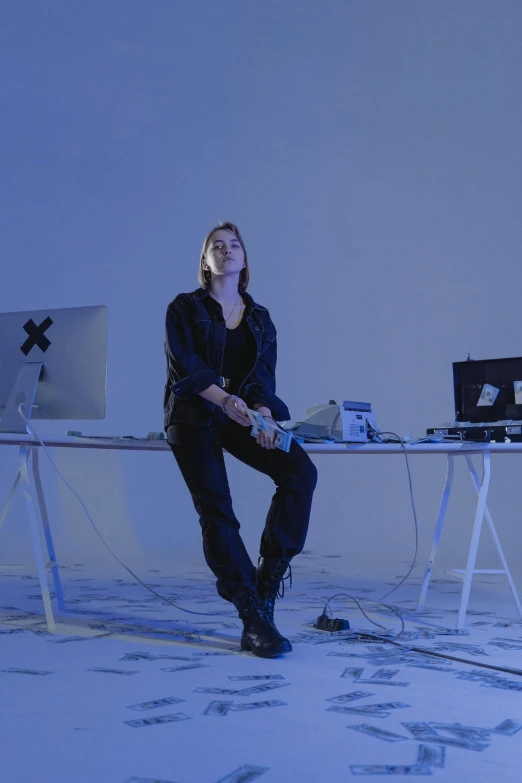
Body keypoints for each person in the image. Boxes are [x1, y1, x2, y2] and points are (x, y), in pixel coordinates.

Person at [164, 221, 318, 658]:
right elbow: (186, 368)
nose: (227, 250)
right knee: (217, 509)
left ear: (245, 259)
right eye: (217, 245)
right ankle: (251, 615)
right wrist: (227, 401)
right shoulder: (183, 309)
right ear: (205, 261)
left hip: (243, 415)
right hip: (195, 414)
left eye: (234, 245)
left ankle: (267, 584)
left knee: (300, 473)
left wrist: (264, 417)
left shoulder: (261, 319)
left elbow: (262, 378)